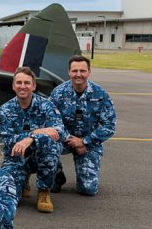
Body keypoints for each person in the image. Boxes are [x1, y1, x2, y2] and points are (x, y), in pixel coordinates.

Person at [0, 66, 66, 213]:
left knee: (51, 144)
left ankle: (43, 191)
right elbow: (8, 140)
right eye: (19, 82)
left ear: (34, 86)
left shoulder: (46, 105)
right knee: (11, 198)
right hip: (17, 155)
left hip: (41, 155)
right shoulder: (5, 109)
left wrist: (32, 139)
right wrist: (36, 132)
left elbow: (60, 132)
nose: (23, 86)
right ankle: (23, 180)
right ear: (13, 86)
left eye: (27, 83)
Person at [49, 55, 116, 195]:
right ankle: (56, 176)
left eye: (82, 71)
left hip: (89, 143)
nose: (78, 74)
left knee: (88, 190)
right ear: (69, 72)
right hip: (65, 139)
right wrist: (70, 139)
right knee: (45, 144)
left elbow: (109, 126)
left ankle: (84, 178)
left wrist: (84, 142)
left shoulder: (101, 94)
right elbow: (50, 120)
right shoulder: (58, 93)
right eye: (74, 71)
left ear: (89, 72)